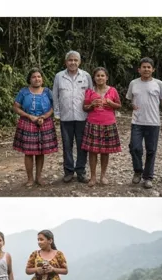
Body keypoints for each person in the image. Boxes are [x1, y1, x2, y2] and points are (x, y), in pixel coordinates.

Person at [127, 57, 162, 190]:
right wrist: (132, 105)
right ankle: (138, 171)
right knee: (135, 147)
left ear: (153, 69)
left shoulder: (159, 84)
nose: (146, 69)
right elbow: (130, 99)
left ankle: (148, 177)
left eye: (148, 67)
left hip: (153, 123)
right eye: (143, 67)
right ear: (139, 70)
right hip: (137, 122)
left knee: (151, 151)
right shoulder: (133, 83)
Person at [13, 69, 58, 187]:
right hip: (27, 123)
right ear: (30, 79)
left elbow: (54, 106)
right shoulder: (23, 92)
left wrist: (44, 116)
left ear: (42, 79)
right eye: (34, 77)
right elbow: (16, 107)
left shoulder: (48, 92)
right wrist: (29, 116)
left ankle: (39, 177)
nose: (37, 79)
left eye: (39, 77)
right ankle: (30, 179)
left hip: (45, 122)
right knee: (28, 152)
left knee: (40, 151)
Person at [52, 51, 92, 183]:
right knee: (67, 145)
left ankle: (81, 171)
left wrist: (91, 112)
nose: (73, 62)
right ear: (66, 62)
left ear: (79, 62)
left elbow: (91, 95)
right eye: (70, 60)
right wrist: (57, 114)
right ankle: (68, 171)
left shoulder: (86, 76)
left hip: (83, 117)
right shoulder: (59, 76)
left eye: (75, 60)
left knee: (82, 145)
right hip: (65, 117)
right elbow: (55, 96)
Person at [81, 67, 123, 186]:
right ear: (94, 78)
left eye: (102, 76)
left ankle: (103, 176)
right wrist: (91, 105)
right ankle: (93, 177)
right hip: (92, 123)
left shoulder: (113, 90)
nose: (100, 78)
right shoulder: (90, 91)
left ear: (107, 78)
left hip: (108, 123)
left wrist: (111, 103)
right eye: (98, 76)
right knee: (92, 151)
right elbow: (84, 108)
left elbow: (119, 106)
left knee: (105, 151)